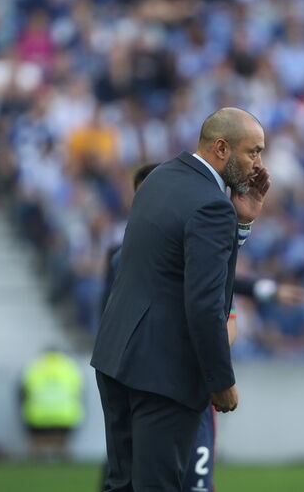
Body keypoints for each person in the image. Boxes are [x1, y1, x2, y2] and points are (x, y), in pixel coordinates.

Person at [92, 108, 270, 491]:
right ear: (221, 148)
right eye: (253, 152)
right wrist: (220, 380)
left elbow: (170, 265)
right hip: (163, 374)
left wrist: (240, 223)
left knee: (123, 485)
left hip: (116, 358)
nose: (259, 164)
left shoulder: (159, 178)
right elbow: (205, 303)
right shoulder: (212, 206)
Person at [19, 347, 85, 461]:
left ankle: (35, 461)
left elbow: (22, 393)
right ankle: (63, 458)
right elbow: (79, 392)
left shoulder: (34, 366)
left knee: (36, 437)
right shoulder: (70, 367)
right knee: (63, 436)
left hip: (37, 418)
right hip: (65, 419)